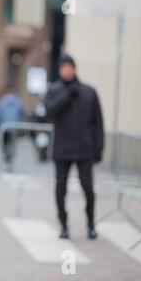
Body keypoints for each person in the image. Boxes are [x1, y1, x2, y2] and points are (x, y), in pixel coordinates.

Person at [44, 54, 104, 240]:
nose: (66, 71)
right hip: (62, 150)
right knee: (61, 189)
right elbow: (49, 111)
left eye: (69, 67)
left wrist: (99, 148)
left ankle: (91, 225)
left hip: (85, 149)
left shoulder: (89, 92)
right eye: (63, 68)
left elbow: (98, 123)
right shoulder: (54, 90)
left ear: (74, 69)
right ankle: (63, 225)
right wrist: (67, 95)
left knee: (88, 188)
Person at [0, 86, 25, 163]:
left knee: (5, 141)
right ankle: (10, 154)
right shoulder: (18, 101)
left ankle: (6, 153)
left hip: (4, 126)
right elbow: (23, 112)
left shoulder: (2, 101)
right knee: (12, 141)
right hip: (14, 125)